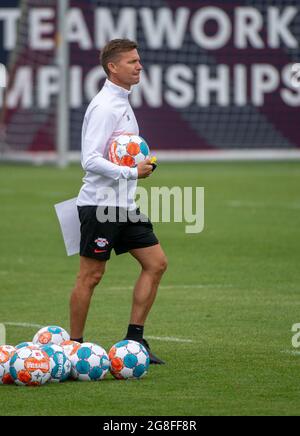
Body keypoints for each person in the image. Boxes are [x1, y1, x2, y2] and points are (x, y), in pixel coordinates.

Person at [70, 39, 168, 364]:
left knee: (156, 264)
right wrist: (131, 172)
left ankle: (135, 341)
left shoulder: (122, 102)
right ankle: (74, 347)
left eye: (139, 60)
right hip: (99, 205)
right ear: (113, 67)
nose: (139, 66)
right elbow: (89, 160)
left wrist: (138, 168)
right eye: (132, 61)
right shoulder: (104, 106)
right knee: (91, 276)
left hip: (123, 205)